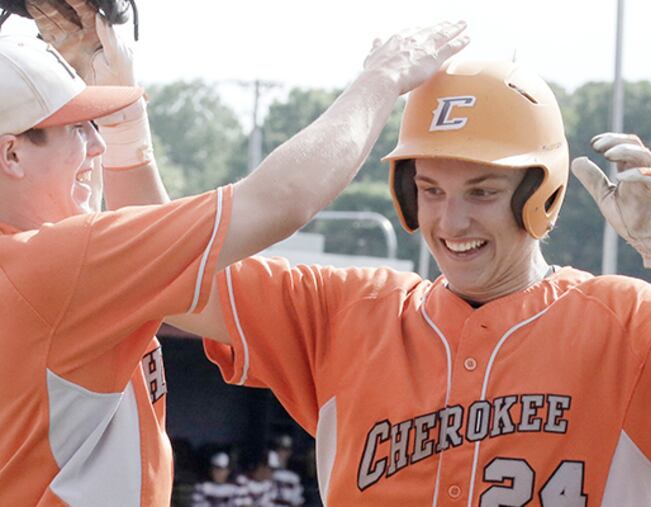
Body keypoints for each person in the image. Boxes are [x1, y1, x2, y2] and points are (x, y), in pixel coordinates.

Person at [197, 60, 651, 505]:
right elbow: (164, 274)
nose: (451, 221)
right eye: (432, 189)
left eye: (482, 192)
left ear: (539, 194)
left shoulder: (627, 322)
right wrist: (128, 134)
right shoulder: (350, 311)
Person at [0, 10, 469, 504]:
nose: (95, 146)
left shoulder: (44, 262)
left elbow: (118, 214)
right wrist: (382, 77)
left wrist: (115, 111)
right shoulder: (56, 265)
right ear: (10, 155)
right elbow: (280, 199)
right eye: (75, 128)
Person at [267, 435, 304, 507]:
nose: (283, 453)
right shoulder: (266, 471)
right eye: (280, 449)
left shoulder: (293, 477)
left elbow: (296, 502)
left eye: (286, 450)